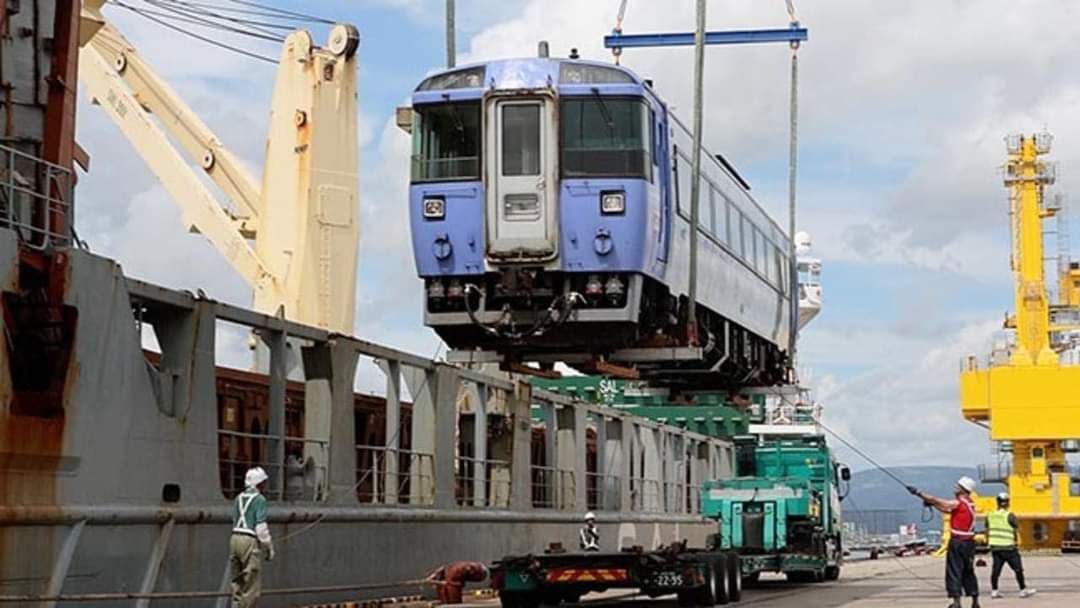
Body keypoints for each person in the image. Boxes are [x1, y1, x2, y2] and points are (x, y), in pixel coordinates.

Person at [908, 476, 980, 608]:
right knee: (968, 571)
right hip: (969, 543)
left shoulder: (959, 502)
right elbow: (946, 509)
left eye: (958, 486)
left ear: (963, 489)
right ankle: (975, 601)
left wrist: (919, 494)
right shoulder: (970, 503)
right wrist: (934, 505)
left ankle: (956, 602)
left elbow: (942, 502)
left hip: (958, 542)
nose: (955, 487)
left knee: (954, 571)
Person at [231, 466, 275, 608]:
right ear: (259, 483)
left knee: (237, 583)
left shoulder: (238, 499)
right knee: (251, 586)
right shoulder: (260, 500)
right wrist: (269, 546)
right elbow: (260, 528)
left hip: (234, 538)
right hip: (249, 541)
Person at [987, 492, 1036, 599]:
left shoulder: (990, 515)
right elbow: (1016, 526)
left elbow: (988, 527)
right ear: (1008, 503)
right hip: (1009, 548)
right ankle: (1022, 590)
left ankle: (994, 591)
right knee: (1018, 569)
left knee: (996, 570)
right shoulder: (1009, 515)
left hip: (995, 548)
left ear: (998, 502)